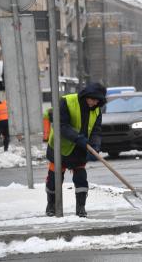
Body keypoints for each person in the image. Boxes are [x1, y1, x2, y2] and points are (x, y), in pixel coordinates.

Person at [45, 83, 107, 217]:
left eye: (98, 101)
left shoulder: (96, 110)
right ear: (86, 96)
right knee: (54, 180)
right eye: (93, 99)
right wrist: (77, 138)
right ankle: (51, 205)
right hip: (59, 148)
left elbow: (96, 131)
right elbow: (60, 125)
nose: (94, 103)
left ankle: (81, 208)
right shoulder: (67, 101)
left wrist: (95, 146)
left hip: (80, 149)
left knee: (81, 178)